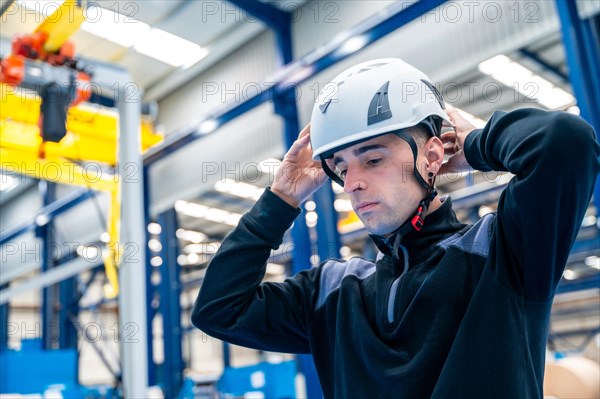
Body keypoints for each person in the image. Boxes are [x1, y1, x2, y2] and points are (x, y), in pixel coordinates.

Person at [192, 58, 600, 398]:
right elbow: (219, 310)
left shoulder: (503, 252)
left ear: (432, 156)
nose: (352, 183)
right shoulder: (332, 290)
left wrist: (473, 142)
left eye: (372, 159)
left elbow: (564, 144)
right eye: (340, 168)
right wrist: (280, 199)